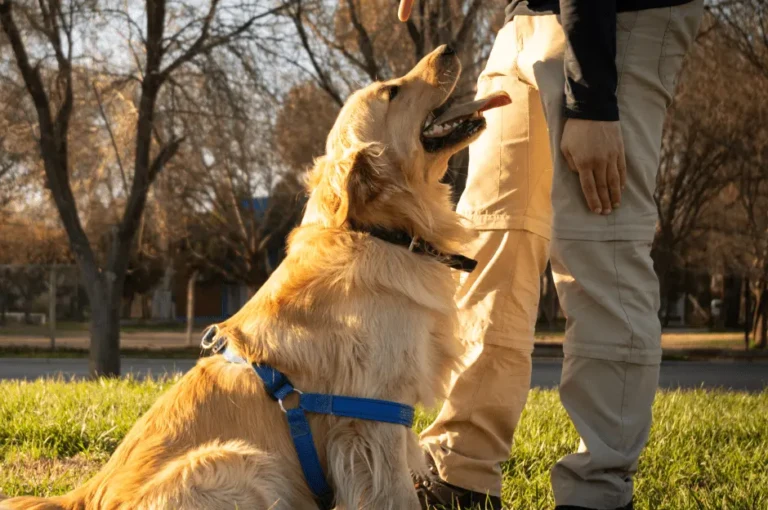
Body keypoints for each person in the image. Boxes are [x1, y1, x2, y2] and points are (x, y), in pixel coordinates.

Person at [397, 1, 704, 509]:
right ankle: (459, 475)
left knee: (600, 254)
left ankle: (597, 492)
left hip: (613, 25)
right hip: (523, 21)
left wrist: (592, 101)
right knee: (489, 247)